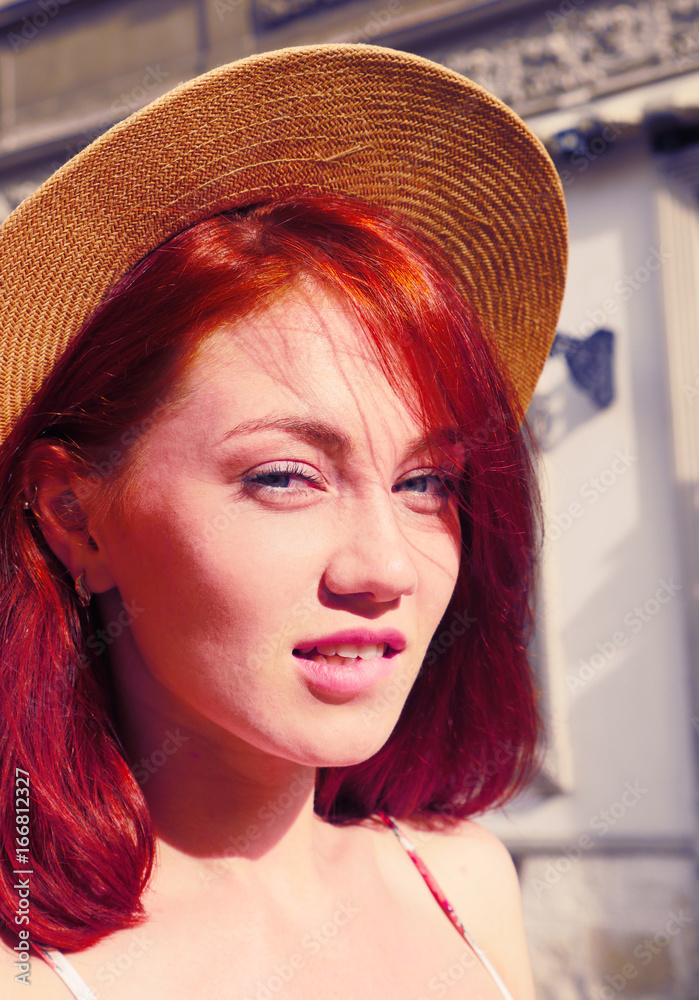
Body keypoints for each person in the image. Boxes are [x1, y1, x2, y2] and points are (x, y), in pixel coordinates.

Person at [0, 43, 567, 999]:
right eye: (283, 476)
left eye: (426, 483)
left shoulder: (464, 884)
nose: (384, 565)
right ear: (73, 518)